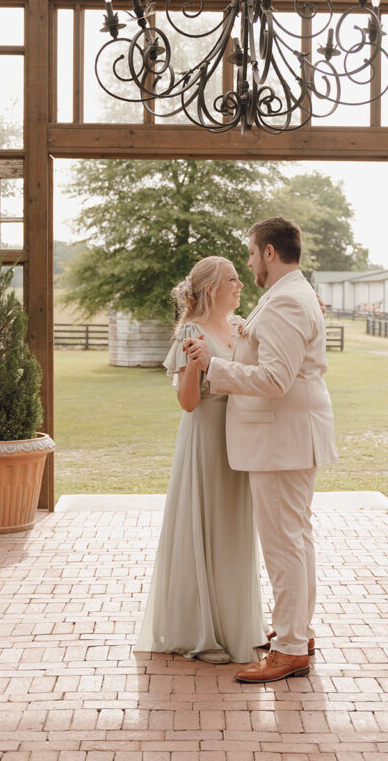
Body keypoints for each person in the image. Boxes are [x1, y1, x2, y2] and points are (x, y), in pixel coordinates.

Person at [185, 217, 337, 683]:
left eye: (251, 253)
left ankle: (291, 649)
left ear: (270, 252)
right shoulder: (292, 295)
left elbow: (275, 379)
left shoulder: (288, 301)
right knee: (296, 540)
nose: (249, 262)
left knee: (284, 545)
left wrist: (215, 366)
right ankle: (297, 633)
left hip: (281, 441)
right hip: (287, 439)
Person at [136, 256, 266, 665]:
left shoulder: (241, 326)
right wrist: (194, 367)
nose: (240, 285)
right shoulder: (192, 331)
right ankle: (201, 630)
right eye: (232, 279)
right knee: (204, 526)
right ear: (210, 288)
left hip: (239, 441)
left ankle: (235, 626)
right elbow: (188, 403)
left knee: (233, 530)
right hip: (206, 441)